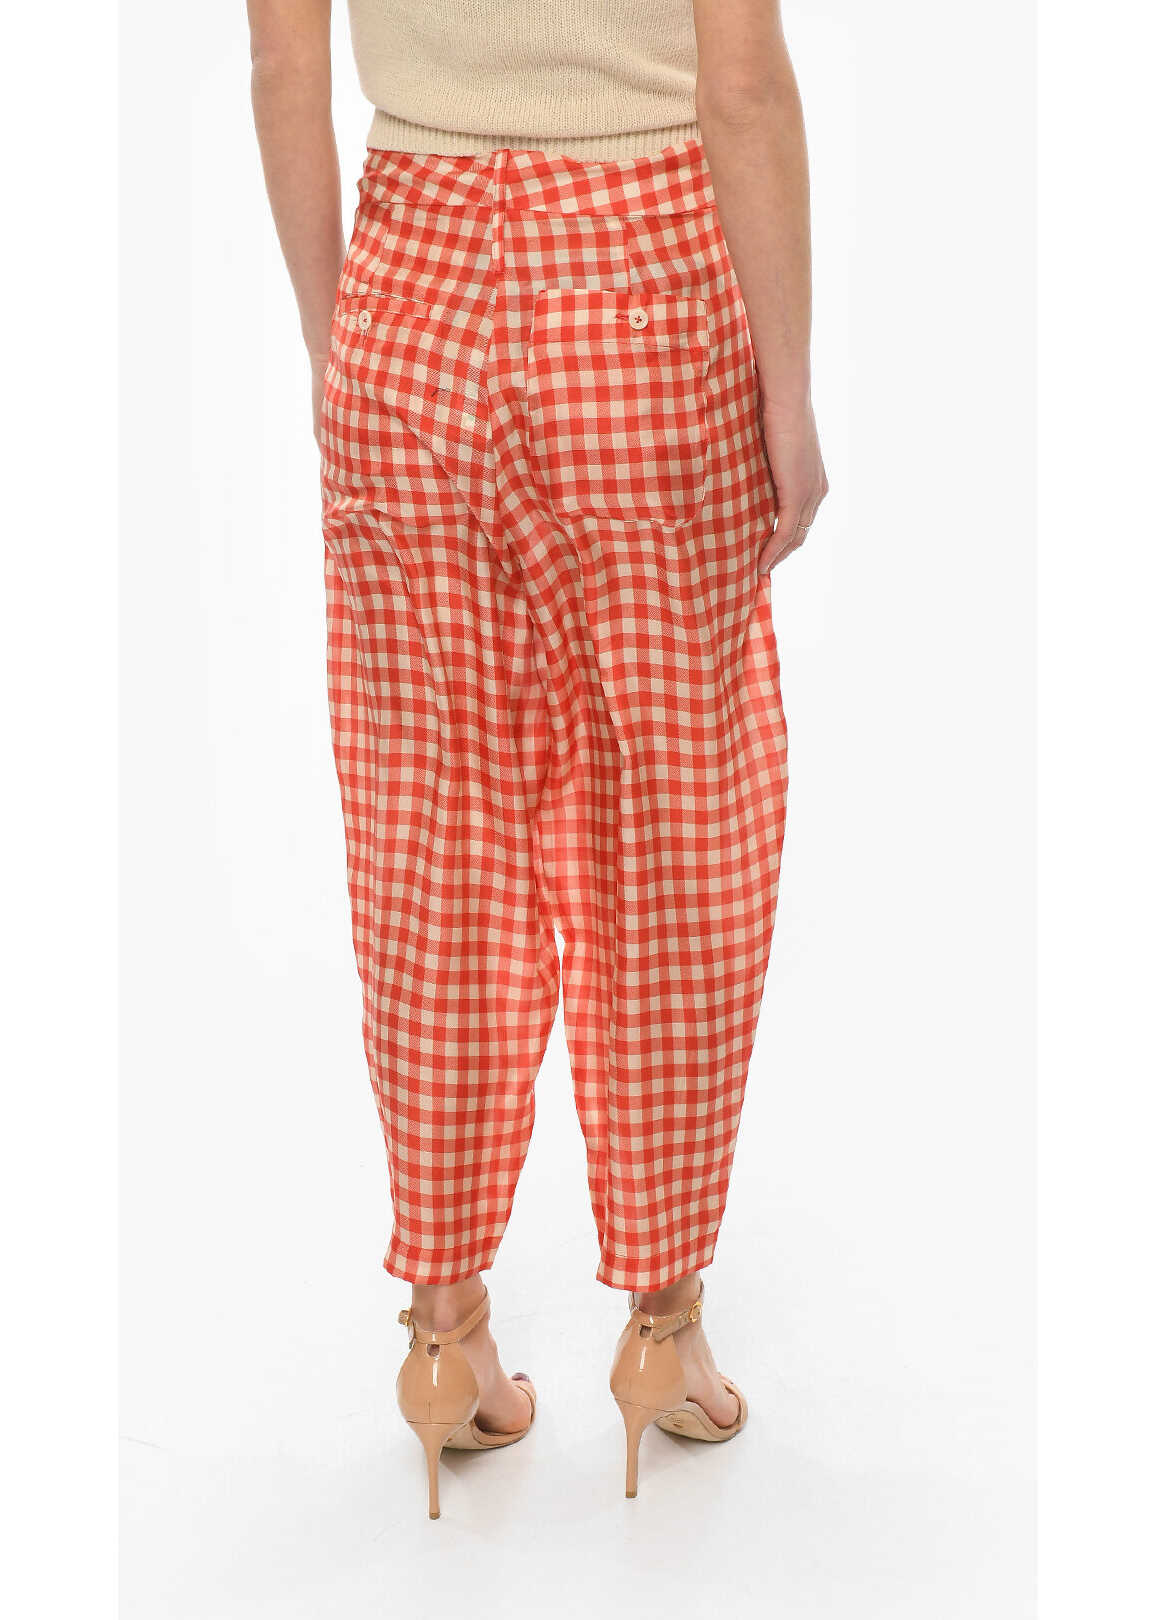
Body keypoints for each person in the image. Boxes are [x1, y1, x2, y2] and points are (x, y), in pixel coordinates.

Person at [247, 0, 828, 1517]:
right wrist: (786, 389)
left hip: (409, 286)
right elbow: (744, 89)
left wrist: (339, 342)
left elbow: (284, 68)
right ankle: (664, 1328)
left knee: (428, 816)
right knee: (681, 808)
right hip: (644, 282)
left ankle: (444, 1337)